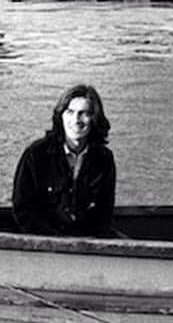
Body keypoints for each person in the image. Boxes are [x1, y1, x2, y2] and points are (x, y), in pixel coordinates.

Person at [12, 83, 116, 236]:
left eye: (84, 113)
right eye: (70, 112)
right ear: (60, 116)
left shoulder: (104, 159)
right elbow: (23, 209)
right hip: (43, 243)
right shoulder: (36, 155)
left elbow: (104, 212)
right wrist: (54, 241)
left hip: (85, 245)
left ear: (94, 118)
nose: (76, 120)